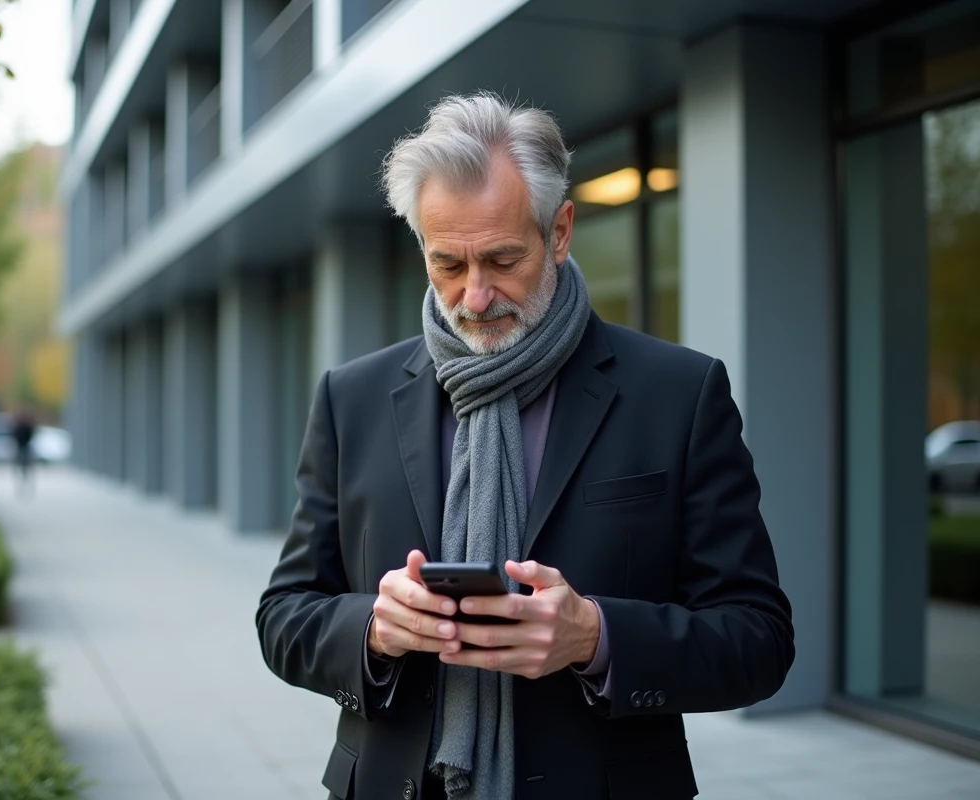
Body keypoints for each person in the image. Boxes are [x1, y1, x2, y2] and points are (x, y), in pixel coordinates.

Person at [255, 92, 795, 800]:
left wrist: (596, 637)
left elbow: (759, 641)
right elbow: (283, 616)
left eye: (503, 259)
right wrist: (373, 630)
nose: (476, 296)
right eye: (448, 264)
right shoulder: (349, 399)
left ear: (560, 231)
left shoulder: (679, 395)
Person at [11, 411, 36, 497]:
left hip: (23, 448)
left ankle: (24, 481)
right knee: (24, 466)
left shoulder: (20, 427)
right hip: (23, 448)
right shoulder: (22, 427)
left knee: (23, 466)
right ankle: (24, 481)